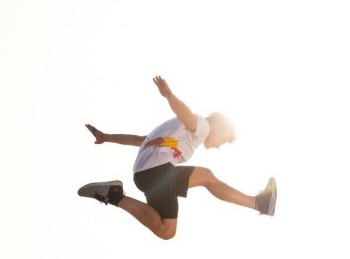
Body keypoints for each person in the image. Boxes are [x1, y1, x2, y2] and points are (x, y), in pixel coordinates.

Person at [79, 76, 276, 240]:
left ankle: (114, 195)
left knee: (169, 226)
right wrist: (170, 96)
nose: (218, 146)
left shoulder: (177, 133)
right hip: (157, 172)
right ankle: (258, 203)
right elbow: (186, 114)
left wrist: (106, 137)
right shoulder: (203, 126)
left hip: (148, 174)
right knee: (171, 225)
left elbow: (139, 140)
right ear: (218, 127)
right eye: (222, 140)